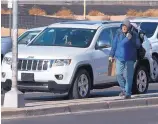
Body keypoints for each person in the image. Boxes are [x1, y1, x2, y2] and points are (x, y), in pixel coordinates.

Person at [109, 19, 141, 99]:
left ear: (129, 27)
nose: (124, 27)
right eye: (123, 26)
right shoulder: (118, 33)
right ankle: (124, 89)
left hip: (130, 58)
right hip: (120, 57)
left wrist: (131, 39)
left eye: (125, 26)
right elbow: (114, 45)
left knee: (129, 76)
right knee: (118, 74)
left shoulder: (134, 34)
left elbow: (138, 45)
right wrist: (111, 55)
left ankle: (128, 93)